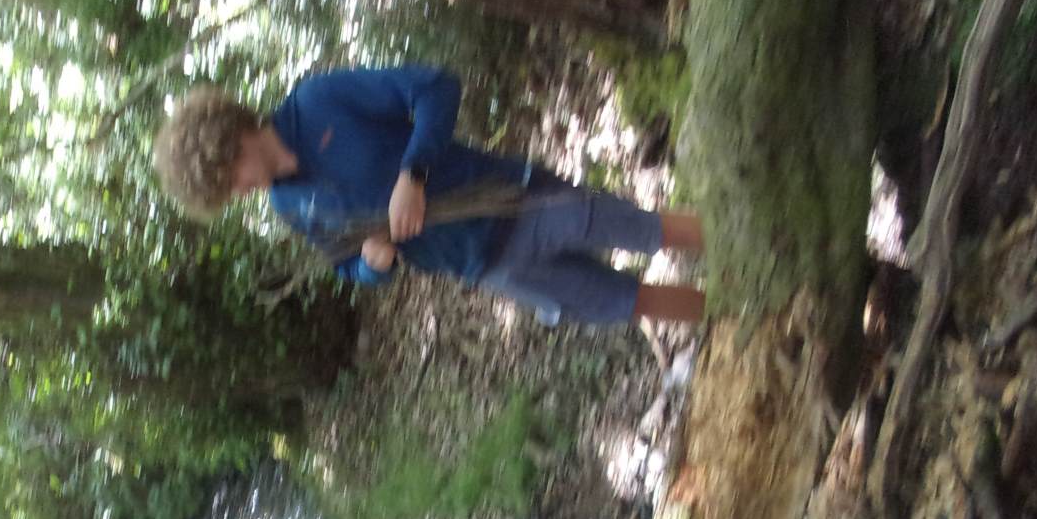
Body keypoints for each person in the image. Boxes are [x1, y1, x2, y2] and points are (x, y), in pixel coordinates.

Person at [152, 66, 705, 329]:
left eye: (230, 178)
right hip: (486, 265)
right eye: (226, 194)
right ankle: (726, 317)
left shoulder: (317, 103)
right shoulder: (289, 206)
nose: (239, 192)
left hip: (513, 199)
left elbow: (435, 88)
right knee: (624, 302)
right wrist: (372, 266)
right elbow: (346, 267)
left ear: (235, 138)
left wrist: (412, 175)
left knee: (647, 230)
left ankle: (740, 237)